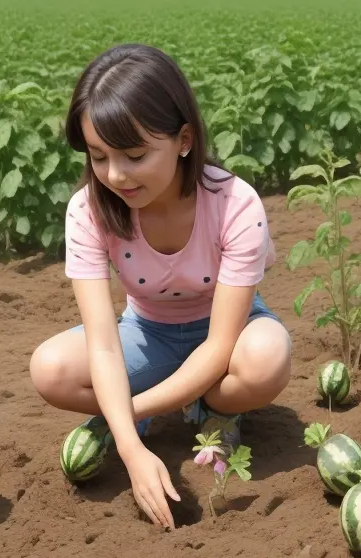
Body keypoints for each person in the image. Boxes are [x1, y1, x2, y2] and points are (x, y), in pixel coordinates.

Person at [30, 44, 292, 529]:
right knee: (51, 370)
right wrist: (132, 449)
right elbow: (104, 345)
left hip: (227, 333)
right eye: (98, 156)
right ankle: (166, 402)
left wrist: (122, 417)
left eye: (135, 156)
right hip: (147, 332)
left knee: (266, 360)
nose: (116, 175)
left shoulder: (235, 204)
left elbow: (220, 345)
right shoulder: (88, 211)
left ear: (184, 139)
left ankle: (214, 409)